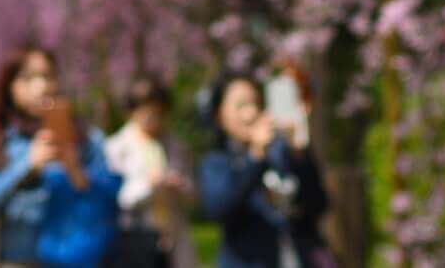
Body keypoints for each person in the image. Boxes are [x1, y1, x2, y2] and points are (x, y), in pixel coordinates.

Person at [0, 46, 121, 268]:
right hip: (18, 260)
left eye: (48, 76)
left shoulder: (86, 138)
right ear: (10, 86)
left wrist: (75, 169)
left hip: (78, 257)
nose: (42, 86)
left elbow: (112, 200)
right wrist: (25, 166)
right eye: (28, 78)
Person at [198, 72, 328, 268]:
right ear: (219, 116)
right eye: (241, 105)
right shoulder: (217, 162)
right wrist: (255, 156)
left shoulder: (280, 153)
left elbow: (319, 204)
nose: (251, 113)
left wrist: (298, 155)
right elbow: (219, 207)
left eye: (256, 103)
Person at [105, 79, 194, 268]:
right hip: (135, 238)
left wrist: (178, 185)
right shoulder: (116, 147)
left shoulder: (175, 146)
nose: (151, 117)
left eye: (157, 111)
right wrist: (149, 185)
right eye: (145, 110)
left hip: (171, 236)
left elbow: (193, 197)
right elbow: (117, 198)